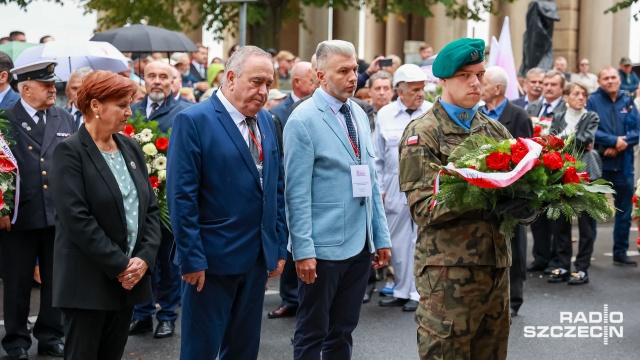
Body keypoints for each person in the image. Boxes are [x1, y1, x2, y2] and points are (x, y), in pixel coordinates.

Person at [399, 38, 519, 360]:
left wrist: (525, 204)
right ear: (444, 80)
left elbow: (517, 191)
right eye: (465, 75)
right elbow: (423, 209)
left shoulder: (495, 132)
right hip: (448, 273)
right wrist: (477, 188)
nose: (475, 83)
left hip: (496, 267)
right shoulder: (423, 133)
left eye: (479, 74)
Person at [167, 45, 287, 359]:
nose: (263, 91)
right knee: (201, 349)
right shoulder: (194, 121)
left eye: (269, 85)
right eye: (256, 82)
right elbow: (182, 196)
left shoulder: (266, 122)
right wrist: (192, 258)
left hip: (256, 258)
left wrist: (276, 244)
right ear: (231, 77)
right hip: (211, 261)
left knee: (244, 348)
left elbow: (275, 188)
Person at [284, 39, 392, 360]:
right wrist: (303, 251)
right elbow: (296, 193)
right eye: (343, 70)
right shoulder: (302, 120)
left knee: (343, 331)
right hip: (323, 248)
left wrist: (380, 237)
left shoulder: (357, 112)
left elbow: (370, 180)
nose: (352, 77)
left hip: (359, 245)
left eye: (355, 69)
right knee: (312, 331)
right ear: (320, 76)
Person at [49, 70, 161, 359]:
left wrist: (144, 259)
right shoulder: (69, 152)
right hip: (88, 283)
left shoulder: (130, 146)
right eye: (122, 105)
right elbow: (77, 220)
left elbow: (149, 208)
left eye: (130, 103)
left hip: (128, 281)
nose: (129, 112)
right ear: (96, 105)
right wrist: (122, 265)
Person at [2, 60, 73, 359]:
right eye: (45, 86)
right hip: (20, 215)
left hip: (57, 213)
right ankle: (17, 340)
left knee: (56, 280)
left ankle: (50, 335)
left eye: (53, 85)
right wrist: (2, 208)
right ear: (25, 88)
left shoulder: (65, 118)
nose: (52, 90)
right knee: (17, 281)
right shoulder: (5, 119)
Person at [128, 61, 191, 339]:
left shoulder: (184, 113)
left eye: (163, 76)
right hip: (136, 202)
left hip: (167, 204)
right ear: (143, 80)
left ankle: (167, 315)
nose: (156, 81)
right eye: (151, 76)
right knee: (140, 258)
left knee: (167, 263)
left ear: (173, 81)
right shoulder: (131, 111)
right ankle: (141, 314)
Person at [374, 64, 431, 313]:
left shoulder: (432, 112)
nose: (421, 94)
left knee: (421, 240)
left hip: (425, 186)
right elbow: (376, 156)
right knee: (397, 241)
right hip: (393, 187)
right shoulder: (385, 114)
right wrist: (378, 189)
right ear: (400, 91)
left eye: (422, 88)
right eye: (415, 89)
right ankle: (401, 289)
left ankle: (418, 293)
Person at [481, 66, 534, 317]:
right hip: (484, 191)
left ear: (497, 89)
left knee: (514, 244)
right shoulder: (478, 115)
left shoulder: (519, 116)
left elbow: (527, 157)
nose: (478, 85)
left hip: (512, 194)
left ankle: (514, 300)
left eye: (484, 82)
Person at [265, 60, 316, 320]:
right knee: (288, 243)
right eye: (311, 78)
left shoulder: (318, 106)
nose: (316, 82)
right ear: (297, 81)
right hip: (285, 182)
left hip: (312, 186)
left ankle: (307, 300)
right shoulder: (280, 111)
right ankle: (289, 298)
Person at [548, 80, 600, 285]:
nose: (581, 98)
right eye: (576, 94)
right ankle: (562, 265)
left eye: (584, 95)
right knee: (561, 222)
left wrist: (564, 141)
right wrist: (570, 141)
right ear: (566, 97)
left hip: (586, 173)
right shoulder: (559, 117)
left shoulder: (591, 116)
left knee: (586, 225)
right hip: (562, 172)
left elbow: (585, 139)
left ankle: (581, 269)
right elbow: (552, 143)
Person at [588, 66, 640, 267]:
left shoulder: (628, 101)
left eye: (613, 78)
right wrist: (612, 141)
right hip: (599, 164)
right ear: (600, 82)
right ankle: (587, 252)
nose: (610, 81)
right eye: (606, 78)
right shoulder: (592, 101)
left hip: (624, 164)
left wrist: (619, 145)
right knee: (592, 210)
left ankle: (620, 252)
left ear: (619, 80)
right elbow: (591, 129)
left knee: (624, 212)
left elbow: (637, 130)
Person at [526, 69, 568, 274]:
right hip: (536, 168)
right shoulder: (533, 106)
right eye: (546, 84)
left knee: (557, 218)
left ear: (561, 88)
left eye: (553, 85)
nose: (548, 88)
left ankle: (557, 260)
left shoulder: (565, 108)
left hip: (557, 168)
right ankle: (540, 257)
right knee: (538, 217)